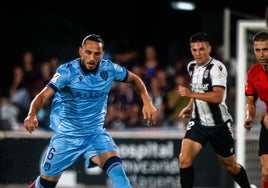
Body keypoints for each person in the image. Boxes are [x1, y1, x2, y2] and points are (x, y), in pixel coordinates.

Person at [24, 34, 159, 188]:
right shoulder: (67, 72)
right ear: (80, 51)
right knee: (45, 184)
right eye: (88, 52)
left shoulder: (109, 69)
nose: (92, 58)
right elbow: (43, 96)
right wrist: (31, 114)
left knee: (121, 180)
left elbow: (135, 79)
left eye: (97, 54)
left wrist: (147, 102)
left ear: (102, 54)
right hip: (67, 137)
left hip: (95, 135)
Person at [177, 32, 252, 188]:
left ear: (209, 48)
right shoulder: (191, 66)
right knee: (184, 158)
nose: (198, 53)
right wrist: (190, 106)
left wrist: (190, 93)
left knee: (230, 166)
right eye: (194, 49)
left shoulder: (216, 68)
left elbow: (218, 96)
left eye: (201, 49)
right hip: (198, 123)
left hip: (219, 125)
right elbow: (198, 90)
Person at [244, 31, 268, 188]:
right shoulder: (253, 72)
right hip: (267, 123)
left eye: (265, 49)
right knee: (266, 171)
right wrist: (249, 116)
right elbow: (250, 101)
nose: (261, 54)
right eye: (257, 50)